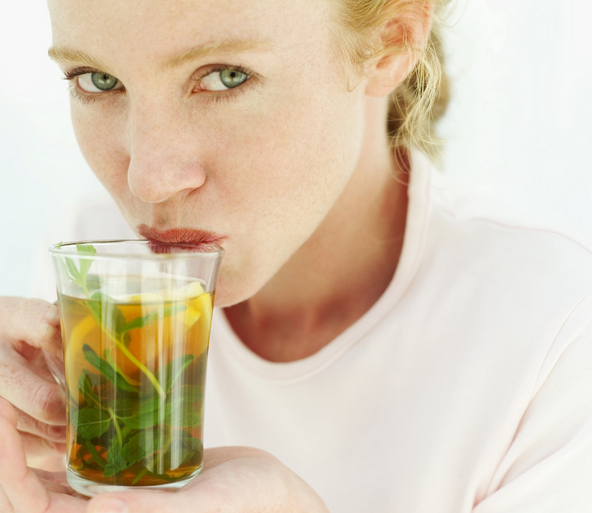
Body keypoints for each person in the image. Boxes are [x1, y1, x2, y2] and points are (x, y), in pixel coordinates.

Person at [1, 0, 592, 511]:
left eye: (227, 76)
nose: (149, 180)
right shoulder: (95, 260)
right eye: (97, 81)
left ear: (391, 43)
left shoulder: (554, 333)